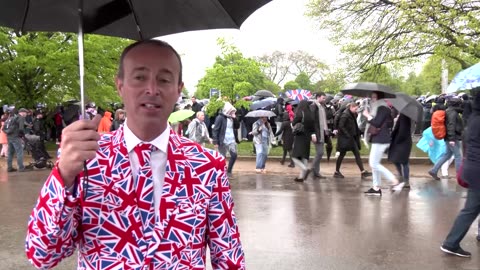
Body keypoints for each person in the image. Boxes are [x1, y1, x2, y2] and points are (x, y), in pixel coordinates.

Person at [26, 40, 245, 269]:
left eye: (164, 79)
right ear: (120, 85)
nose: (152, 89)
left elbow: (229, 256)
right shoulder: (86, 158)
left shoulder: (206, 165)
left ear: (178, 89)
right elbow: (42, 255)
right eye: (140, 77)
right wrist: (63, 177)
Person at [440, 89, 480, 258]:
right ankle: (451, 243)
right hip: (478, 170)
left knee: (470, 209)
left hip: (473, 169)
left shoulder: (473, 119)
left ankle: (451, 243)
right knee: (470, 210)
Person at [362, 92, 404, 195]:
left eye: (374, 97)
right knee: (374, 164)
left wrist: (368, 116)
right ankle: (376, 187)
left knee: (374, 164)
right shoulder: (380, 108)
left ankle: (394, 181)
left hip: (381, 139)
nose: (372, 99)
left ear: (379, 98)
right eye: (371, 97)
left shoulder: (382, 108)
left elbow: (377, 123)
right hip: (379, 138)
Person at [428, 97, 464, 180]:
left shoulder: (450, 111)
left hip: (450, 137)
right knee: (458, 156)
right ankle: (460, 175)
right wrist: (451, 139)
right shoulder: (452, 113)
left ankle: (434, 170)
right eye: (459, 103)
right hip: (452, 137)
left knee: (447, 155)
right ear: (456, 104)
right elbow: (451, 125)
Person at [334, 102, 371, 179]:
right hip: (346, 139)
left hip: (351, 138)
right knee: (342, 154)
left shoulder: (351, 114)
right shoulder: (345, 115)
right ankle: (337, 172)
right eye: (355, 108)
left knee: (356, 153)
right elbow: (341, 126)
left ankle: (363, 171)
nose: (356, 110)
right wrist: (347, 135)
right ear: (351, 107)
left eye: (357, 108)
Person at [212, 102, 239, 178]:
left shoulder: (231, 118)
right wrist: (215, 141)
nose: (232, 112)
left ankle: (229, 171)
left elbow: (237, 126)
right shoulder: (220, 117)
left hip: (231, 139)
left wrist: (235, 118)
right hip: (223, 140)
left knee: (234, 155)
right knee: (222, 157)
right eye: (231, 111)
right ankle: (221, 172)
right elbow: (215, 129)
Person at [291, 100, 315, 182]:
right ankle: (301, 177)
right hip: (307, 137)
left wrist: (293, 122)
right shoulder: (310, 114)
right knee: (304, 156)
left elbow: (294, 123)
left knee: (294, 156)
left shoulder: (300, 112)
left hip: (300, 136)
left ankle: (305, 169)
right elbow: (313, 127)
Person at [388, 113, 413, 188]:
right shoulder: (406, 116)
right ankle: (402, 177)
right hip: (404, 142)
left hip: (402, 142)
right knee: (398, 160)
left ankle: (405, 180)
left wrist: (396, 140)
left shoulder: (404, 116)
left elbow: (402, 130)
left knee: (403, 161)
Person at [310, 92, 329, 179]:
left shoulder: (322, 107)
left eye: (325, 98)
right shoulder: (314, 106)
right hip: (317, 133)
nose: (324, 100)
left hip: (322, 132)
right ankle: (312, 169)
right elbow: (312, 121)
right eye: (323, 98)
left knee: (320, 152)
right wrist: (313, 133)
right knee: (320, 152)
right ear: (318, 97)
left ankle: (316, 172)